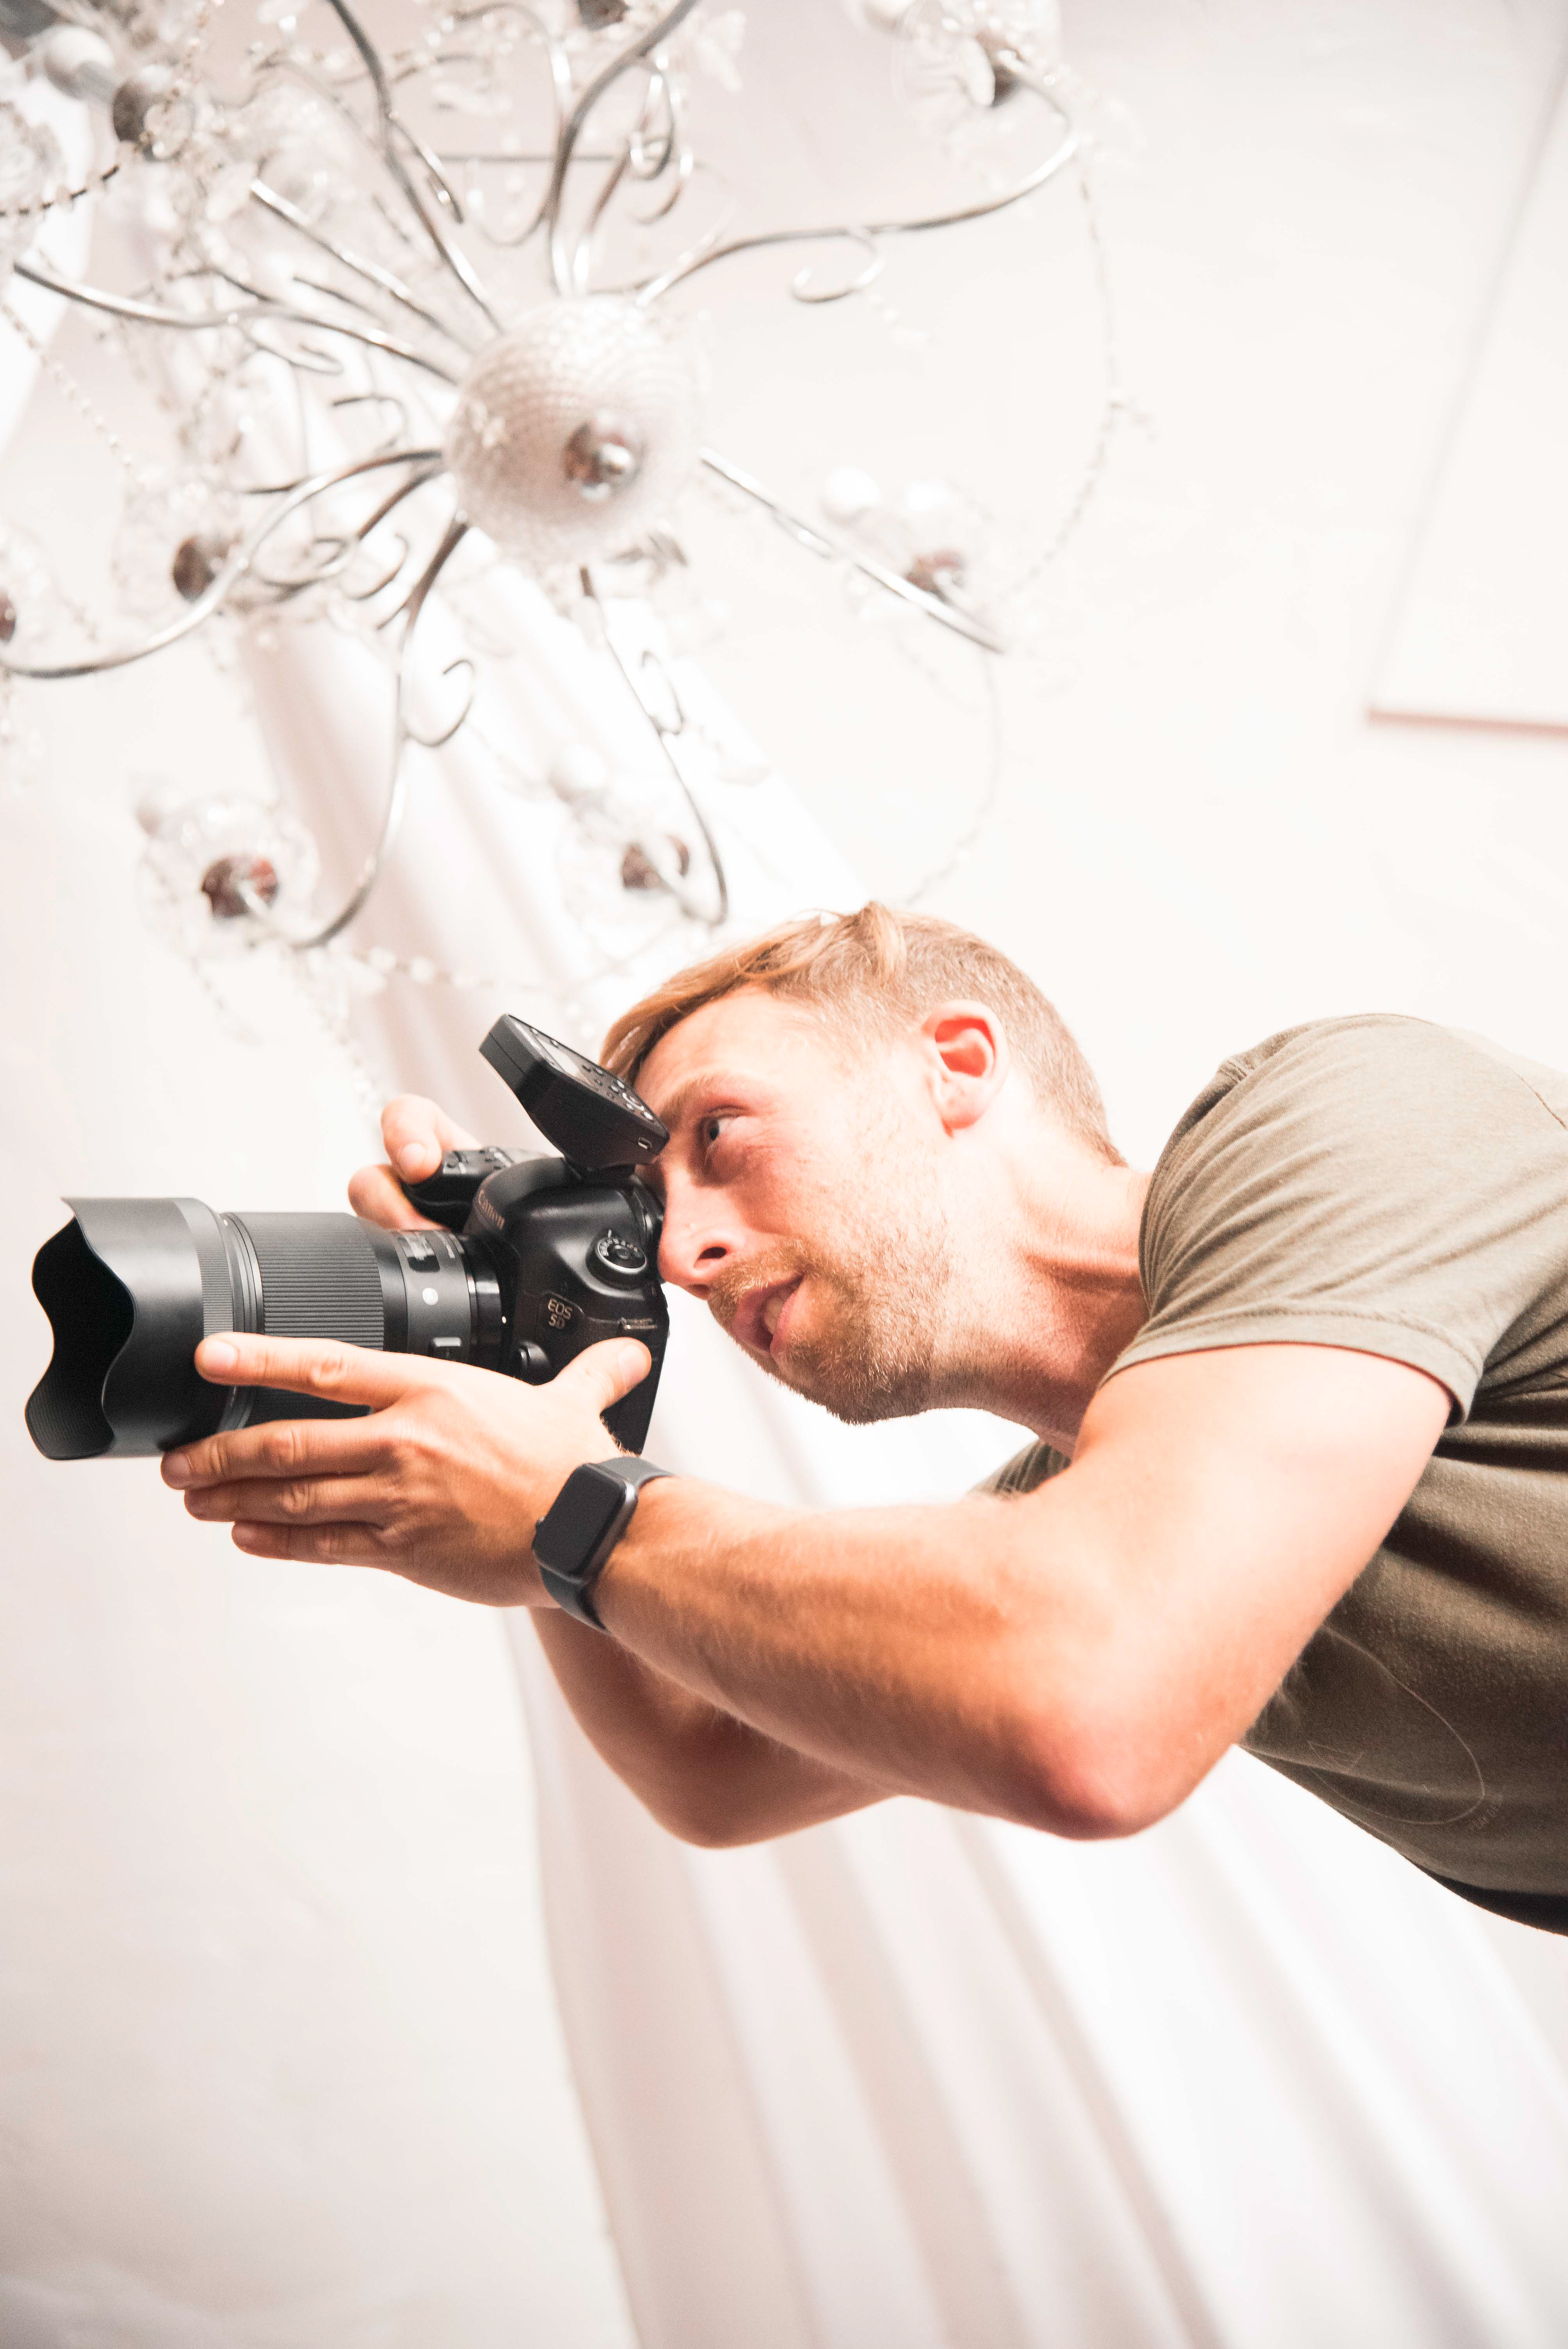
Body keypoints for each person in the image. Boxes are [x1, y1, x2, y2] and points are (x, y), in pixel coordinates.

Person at [158, 906, 1568, 1933]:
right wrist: (523, 1387)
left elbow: (1086, 1705)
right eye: (649, 1217)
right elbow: (709, 1771)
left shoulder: (1354, 1111)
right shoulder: (1094, 1516)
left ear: (954, 1061)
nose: (680, 1255)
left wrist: (569, 1510)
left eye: (718, 1137)